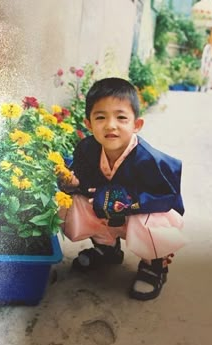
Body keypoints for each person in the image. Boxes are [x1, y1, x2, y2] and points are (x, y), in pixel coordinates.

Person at [58, 77, 185, 301]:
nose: (110, 125)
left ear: (136, 124)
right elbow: (85, 181)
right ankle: (107, 249)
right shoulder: (86, 148)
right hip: (107, 209)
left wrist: (123, 202)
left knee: (152, 220)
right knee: (73, 203)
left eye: (121, 117)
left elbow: (167, 198)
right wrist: (74, 184)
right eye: (100, 117)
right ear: (88, 124)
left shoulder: (150, 160)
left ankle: (154, 265)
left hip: (140, 212)